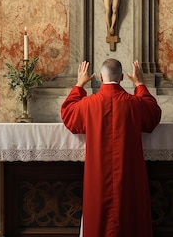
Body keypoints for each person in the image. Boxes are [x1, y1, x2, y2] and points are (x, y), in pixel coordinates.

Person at [61, 59, 161, 237]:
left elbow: (68, 113)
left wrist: (79, 84)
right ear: (122, 77)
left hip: (98, 173)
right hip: (128, 172)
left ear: (100, 77)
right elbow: (153, 114)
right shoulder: (135, 103)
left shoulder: (89, 103)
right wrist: (140, 84)